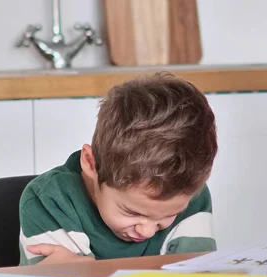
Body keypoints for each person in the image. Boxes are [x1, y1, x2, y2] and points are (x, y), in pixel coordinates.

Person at [18, 73, 218, 265]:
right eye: (131, 212)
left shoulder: (189, 195)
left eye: (167, 216)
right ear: (91, 163)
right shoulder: (49, 202)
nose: (147, 231)